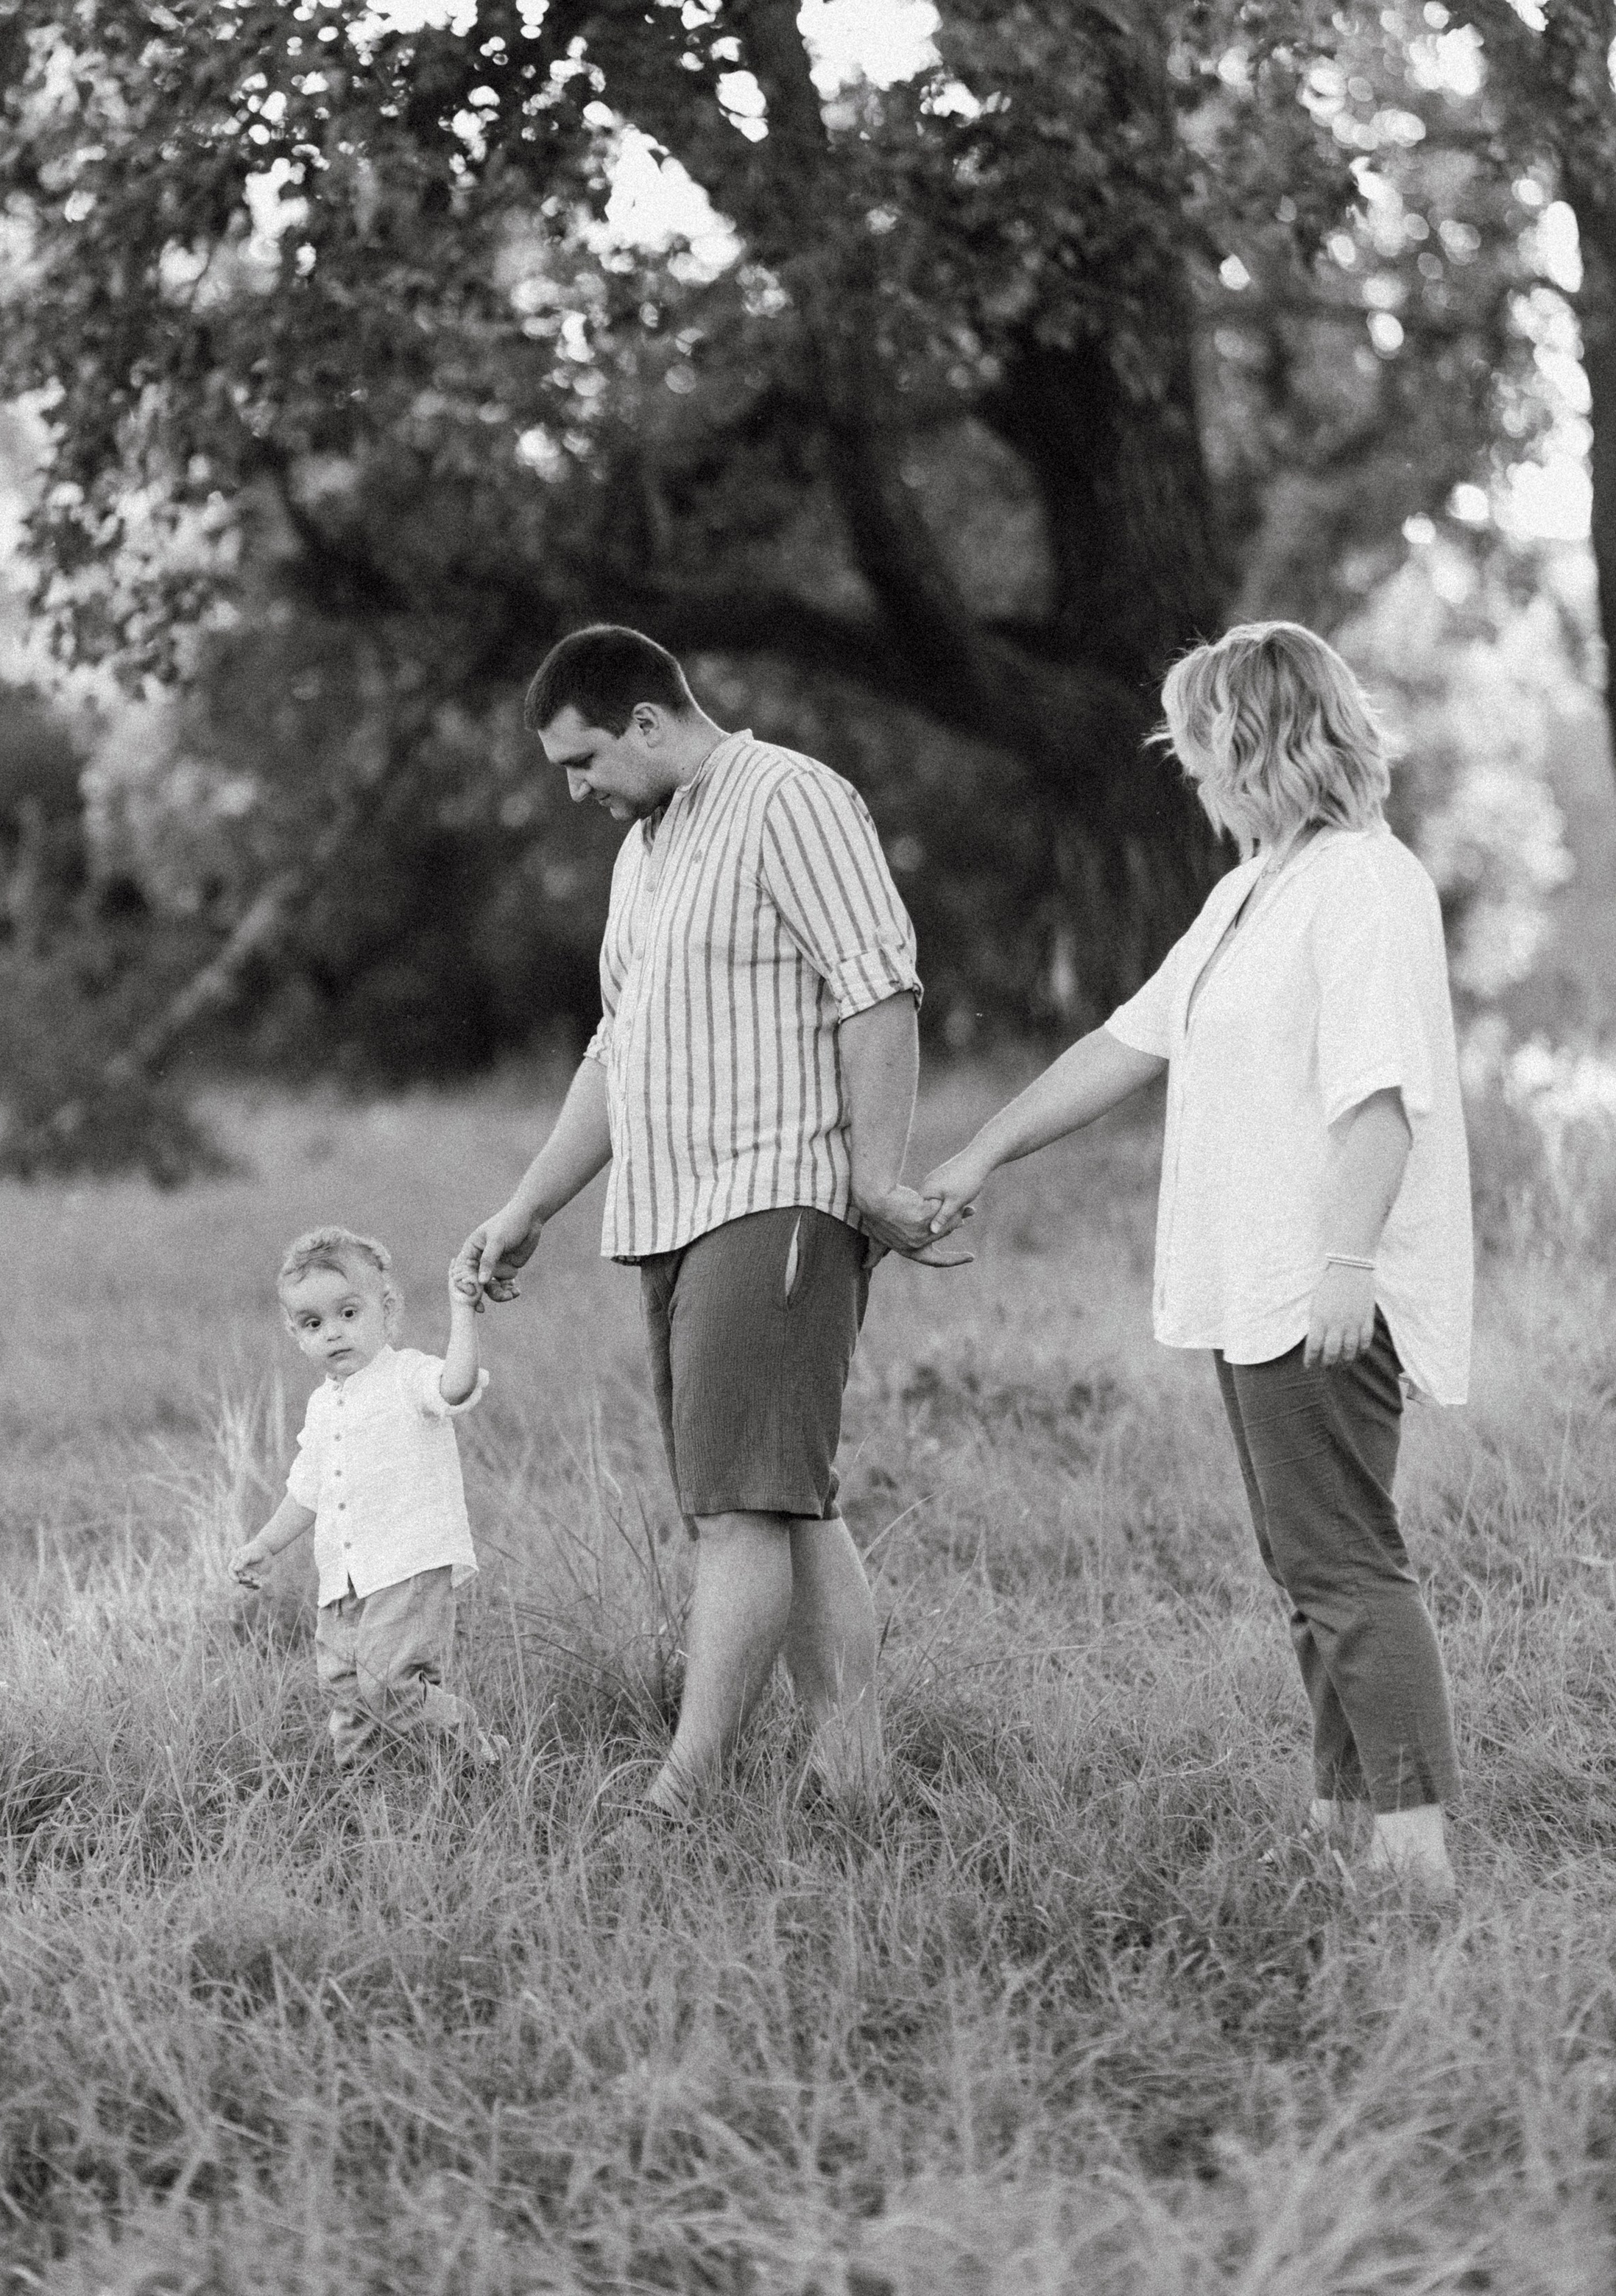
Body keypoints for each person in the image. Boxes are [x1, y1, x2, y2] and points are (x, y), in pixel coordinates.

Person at [922, 621, 1470, 1898]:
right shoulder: (1250, 891)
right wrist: (979, 1158)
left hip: (1321, 1283)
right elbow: (1124, 1045)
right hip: (1254, 1282)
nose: (1191, 769)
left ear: (1258, 740)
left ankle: (1412, 1857)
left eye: (1205, 742)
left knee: (1343, 1560)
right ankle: (1341, 1827)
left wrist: (1345, 1262)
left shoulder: (1363, 886)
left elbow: (1383, 1101)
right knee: (1306, 1564)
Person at [458, 625, 958, 1820]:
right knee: (782, 1495)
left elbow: (879, 988)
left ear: (646, 719)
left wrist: (878, 1179)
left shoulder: (792, 798)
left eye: (584, 761)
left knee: (738, 1508)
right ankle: (857, 1770)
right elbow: (613, 1051)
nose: (577, 791)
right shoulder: (645, 854)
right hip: (673, 1212)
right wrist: (530, 1204)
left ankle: (681, 1796)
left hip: (777, 1197)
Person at [233, 1226, 504, 1772]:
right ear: (296, 1333)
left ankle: (476, 1748)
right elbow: (306, 1490)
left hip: (406, 1565)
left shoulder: (407, 1376)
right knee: (347, 1691)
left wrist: (462, 1313)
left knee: (391, 1687)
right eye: (314, 1324)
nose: (333, 1333)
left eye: (349, 1314)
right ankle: (364, 1795)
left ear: (386, 1307)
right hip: (343, 1580)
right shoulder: (321, 1404)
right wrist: (266, 1544)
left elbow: (455, 1386)